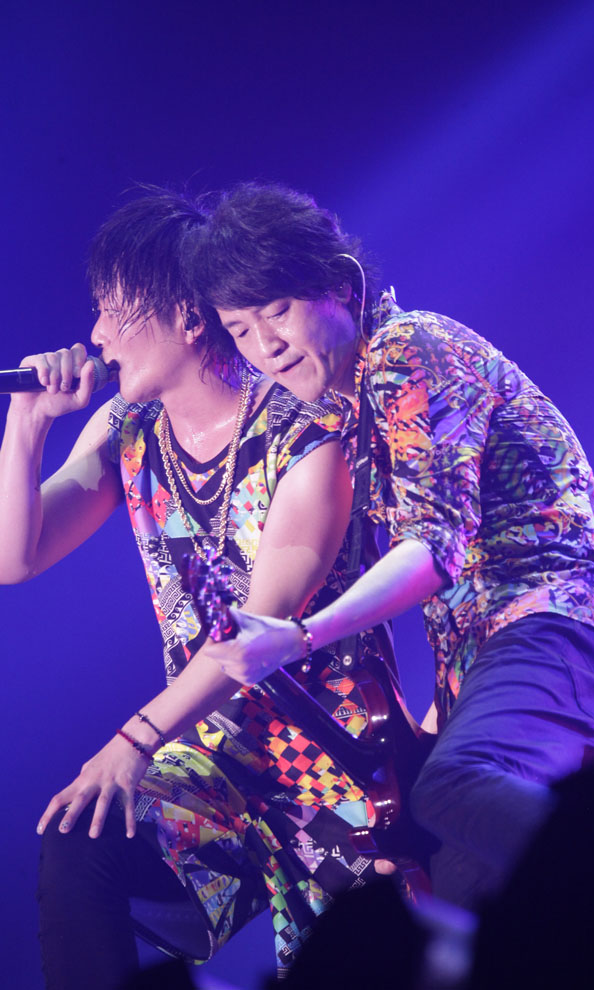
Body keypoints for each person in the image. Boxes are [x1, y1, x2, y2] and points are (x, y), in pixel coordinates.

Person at [187, 181, 594, 908]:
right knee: (464, 884)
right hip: (501, 649)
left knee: (456, 786)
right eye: (240, 329)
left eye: (276, 310)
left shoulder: (410, 348)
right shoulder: (349, 407)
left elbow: (434, 550)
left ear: (339, 285)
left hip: (558, 619)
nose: (266, 346)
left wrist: (299, 635)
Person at [0, 189, 400, 988]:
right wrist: (28, 423)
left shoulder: (303, 434)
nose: (97, 334)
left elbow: (259, 628)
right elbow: (15, 557)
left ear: (188, 317)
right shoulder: (126, 429)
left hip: (339, 768)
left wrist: (132, 740)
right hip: (216, 763)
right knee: (82, 836)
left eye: (115, 309)